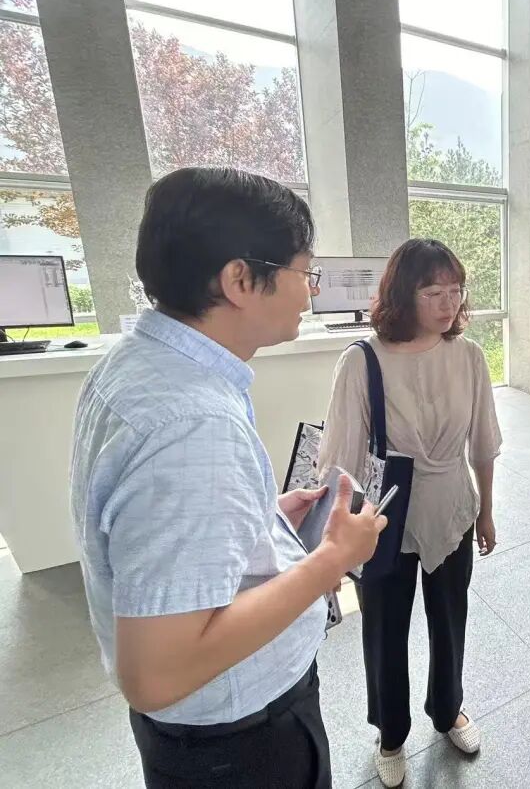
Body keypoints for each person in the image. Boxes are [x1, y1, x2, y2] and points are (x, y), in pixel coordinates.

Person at [69, 167, 388, 789]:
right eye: (304, 273)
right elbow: (157, 674)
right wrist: (332, 560)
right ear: (240, 279)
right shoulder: (192, 424)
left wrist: (259, 520)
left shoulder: (139, 364)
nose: (309, 293)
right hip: (240, 744)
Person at [318, 237, 502, 788]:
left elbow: (483, 444)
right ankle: (391, 733)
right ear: (403, 293)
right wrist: (332, 548)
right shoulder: (363, 359)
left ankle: (448, 709)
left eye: (456, 290)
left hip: (453, 505)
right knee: (384, 627)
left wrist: (486, 512)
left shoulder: (468, 356)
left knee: (450, 617)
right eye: (433, 292)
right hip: (385, 514)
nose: (449, 304)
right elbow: (340, 459)